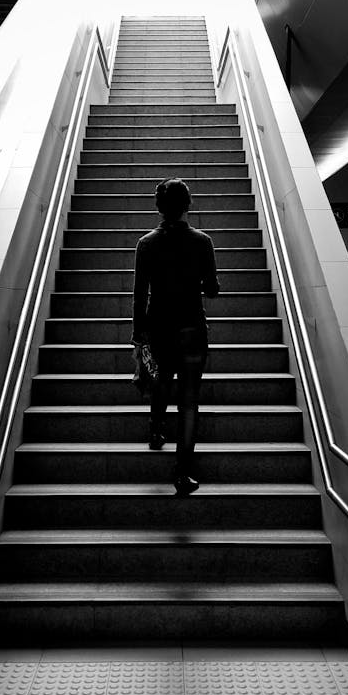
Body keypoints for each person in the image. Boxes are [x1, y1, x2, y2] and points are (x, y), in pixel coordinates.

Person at [132, 178, 220, 494]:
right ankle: (182, 472)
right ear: (188, 205)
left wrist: (137, 335)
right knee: (189, 401)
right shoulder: (202, 242)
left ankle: (156, 429)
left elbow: (139, 295)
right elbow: (211, 290)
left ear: (159, 207)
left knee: (161, 379)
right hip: (193, 329)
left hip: (159, 328)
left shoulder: (146, 244)